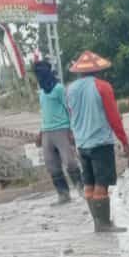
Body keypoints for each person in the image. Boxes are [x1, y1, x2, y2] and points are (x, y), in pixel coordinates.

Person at [66, 51, 129, 233]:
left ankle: (97, 222)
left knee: (89, 183)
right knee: (101, 184)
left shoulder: (70, 89)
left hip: (82, 144)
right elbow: (114, 117)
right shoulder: (103, 87)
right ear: (98, 71)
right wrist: (124, 141)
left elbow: (70, 115)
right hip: (100, 142)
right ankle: (103, 224)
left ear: (79, 72)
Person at [32, 59, 82, 205]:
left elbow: (69, 109)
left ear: (46, 73)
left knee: (70, 161)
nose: (38, 77)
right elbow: (45, 114)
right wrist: (40, 133)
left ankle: (82, 189)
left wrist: (71, 130)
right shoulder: (41, 92)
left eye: (40, 73)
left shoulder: (59, 89)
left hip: (62, 129)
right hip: (47, 132)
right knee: (51, 164)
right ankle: (63, 194)